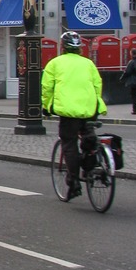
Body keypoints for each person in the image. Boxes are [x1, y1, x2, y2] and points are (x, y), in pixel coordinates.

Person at [41, 30, 106, 201]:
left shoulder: (55, 64)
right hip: (90, 109)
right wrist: (95, 103)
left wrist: (46, 106)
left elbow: (47, 88)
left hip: (68, 111)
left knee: (69, 143)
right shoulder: (88, 63)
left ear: (62, 47)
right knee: (88, 137)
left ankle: (74, 181)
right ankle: (93, 164)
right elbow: (97, 85)